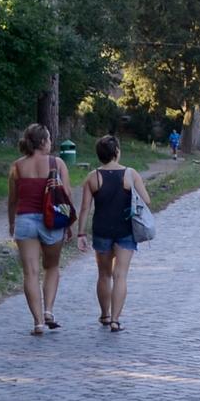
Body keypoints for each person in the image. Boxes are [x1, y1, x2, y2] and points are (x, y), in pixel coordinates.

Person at [76, 135, 153, 332]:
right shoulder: (130, 174)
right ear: (117, 151)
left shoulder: (93, 177)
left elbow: (85, 208)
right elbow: (147, 200)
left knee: (103, 275)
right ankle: (115, 320)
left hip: (101, 229)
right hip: (125, 229)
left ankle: (104, 314)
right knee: (120, 275)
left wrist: (81, 234)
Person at [7, 122, 73, 336]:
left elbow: (12, 200)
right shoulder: (57, 163)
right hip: (51, 220)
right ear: (43, 142)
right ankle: (48, 310)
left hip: (25, 221)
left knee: (30, 273)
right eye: (49, 139)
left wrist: (11, 223)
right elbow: (67, 195)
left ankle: (37, 322)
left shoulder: (17, 166)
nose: (51, 143)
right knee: (52, 267)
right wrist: (70, 224)